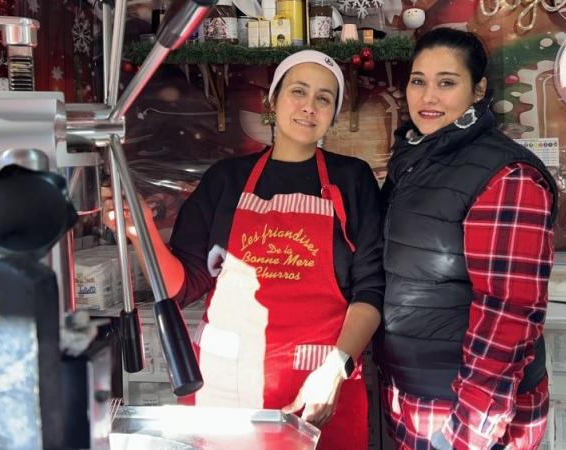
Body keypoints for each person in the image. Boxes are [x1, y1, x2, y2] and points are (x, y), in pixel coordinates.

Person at [103, 50, 383, 450]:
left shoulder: (352, 180)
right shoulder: (226, 179)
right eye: (298, 91)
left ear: (334, 113)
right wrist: (141, 232)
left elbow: (370, 290)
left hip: (319, 392)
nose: (309, 106)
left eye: (324, 97)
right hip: (225, 393)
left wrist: (336, 368)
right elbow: (184, 286)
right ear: (272, 100)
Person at [377, 28, 558, 450]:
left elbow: (508, 314)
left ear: (477, 90)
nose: (428, 97)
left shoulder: (507, 175)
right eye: (418, 81)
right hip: (415, 395)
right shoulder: (414, 160)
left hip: (466, 413)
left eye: (447, 82)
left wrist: (469, 431)